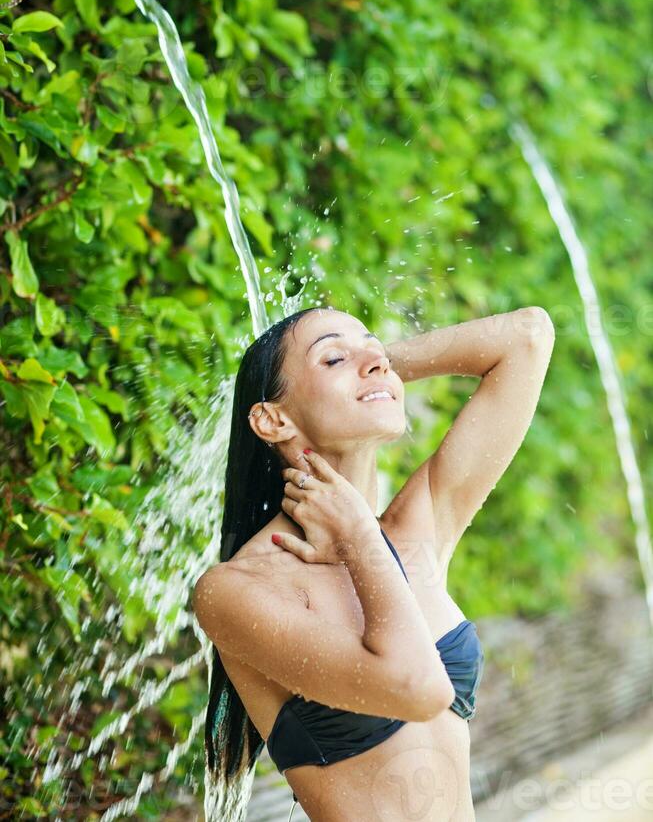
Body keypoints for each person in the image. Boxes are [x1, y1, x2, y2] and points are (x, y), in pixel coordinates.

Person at [193, 304, 555, 820]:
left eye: (375, 349)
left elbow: (527, 336)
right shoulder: (237, 591)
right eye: (333, 358)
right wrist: (360, 538)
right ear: (272, 419)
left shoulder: (415, 531)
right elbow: (419, 688)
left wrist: (372, 367)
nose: (374, 361)